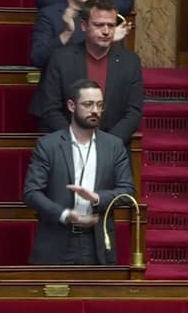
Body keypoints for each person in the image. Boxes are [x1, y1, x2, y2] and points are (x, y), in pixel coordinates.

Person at [23, 79, 136, 265]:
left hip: (97, 242)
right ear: (71, 106)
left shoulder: (114, 146)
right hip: (56, 242)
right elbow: (31, 192)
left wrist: (97, 198)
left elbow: (127, 191)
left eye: (99, 105)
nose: (95, 111)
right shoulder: (49, 145)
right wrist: (65, 214)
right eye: (88, 104)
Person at [36, 0, 144, 145]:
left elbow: (134, 112)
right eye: (99, 25)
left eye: (111, 26)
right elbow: (51, 109)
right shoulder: (61, 58)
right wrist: (77, 141)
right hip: (68, 149)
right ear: (84, 25)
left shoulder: (130, 62)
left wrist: (106, 145)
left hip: (113, 151)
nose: (106, 31)